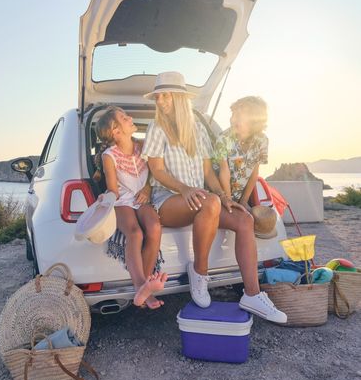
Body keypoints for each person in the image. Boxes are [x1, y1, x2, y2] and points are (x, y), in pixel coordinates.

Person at [142, 72, 286, 323]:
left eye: (166, 95)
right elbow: (157, 170)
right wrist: (186, 189)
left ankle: (252, 294)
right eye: (158, 96)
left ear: (179, 98)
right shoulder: (156, 128)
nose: (161, 100)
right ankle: (200, 274)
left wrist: (223, 196)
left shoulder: (198, 128)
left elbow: (209, 172)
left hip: (203, 200)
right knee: (209, 202)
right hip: (168, 200)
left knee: (244, 220)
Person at [96, 107, 167, 310]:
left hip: (143, 198)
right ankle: (141, 287)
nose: (130, 118)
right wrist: (105, 198)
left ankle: (144, 289)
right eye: (124, 118)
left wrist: (146, 188)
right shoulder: (109, 156)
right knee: (135, 233)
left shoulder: (143, 147)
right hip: (122, 202)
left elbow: (154, 174)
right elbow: (113, 189)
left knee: (154, 228)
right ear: (115, 132)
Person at [214, 96, 269, 212]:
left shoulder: (262, 141)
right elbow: (224, 172)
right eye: (232, 114)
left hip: (241, 197)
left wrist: (244, 201)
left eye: (238, 116)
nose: (232, 119)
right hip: (219, 197)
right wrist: (229, 200)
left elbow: (255, 172)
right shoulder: (223, 139)